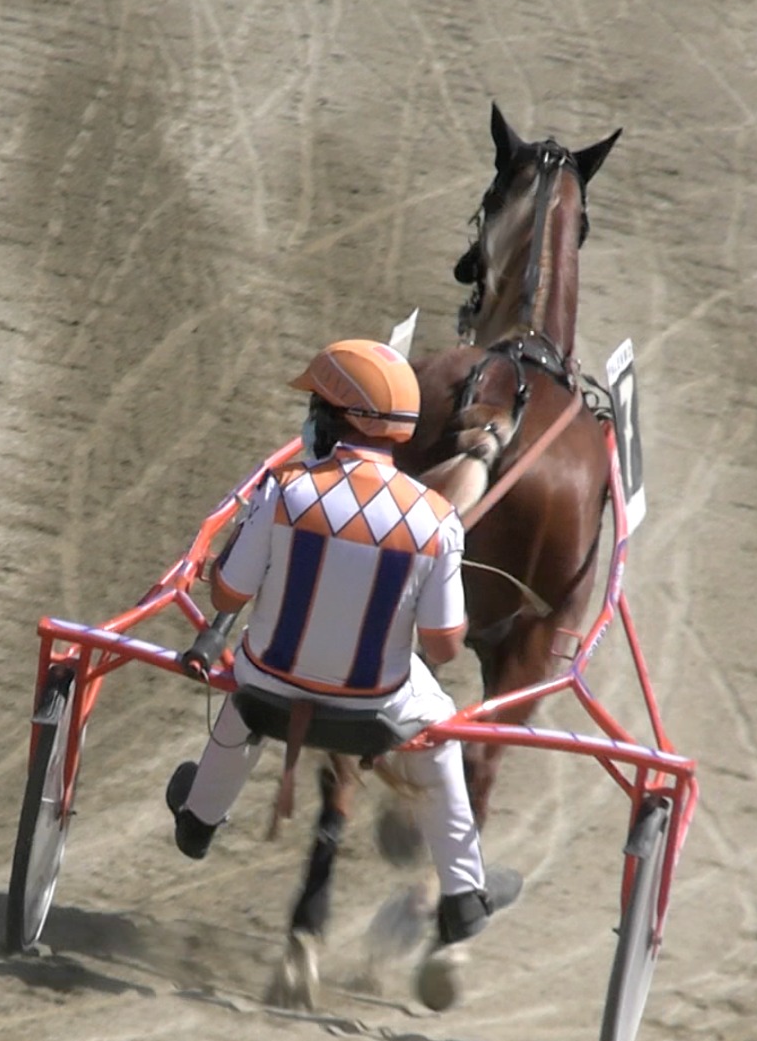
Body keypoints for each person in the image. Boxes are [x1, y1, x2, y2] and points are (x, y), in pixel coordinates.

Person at [167, 338, 508, 947]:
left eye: (317, 406)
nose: (311, 418)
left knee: (247, 679)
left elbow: (224, 599)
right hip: (374, 711)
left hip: (269, 692)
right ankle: (462, 896)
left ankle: (199, 818)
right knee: (438, 735)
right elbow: (446, 645)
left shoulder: (285, 490)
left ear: (339, 417)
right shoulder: (436, 519)